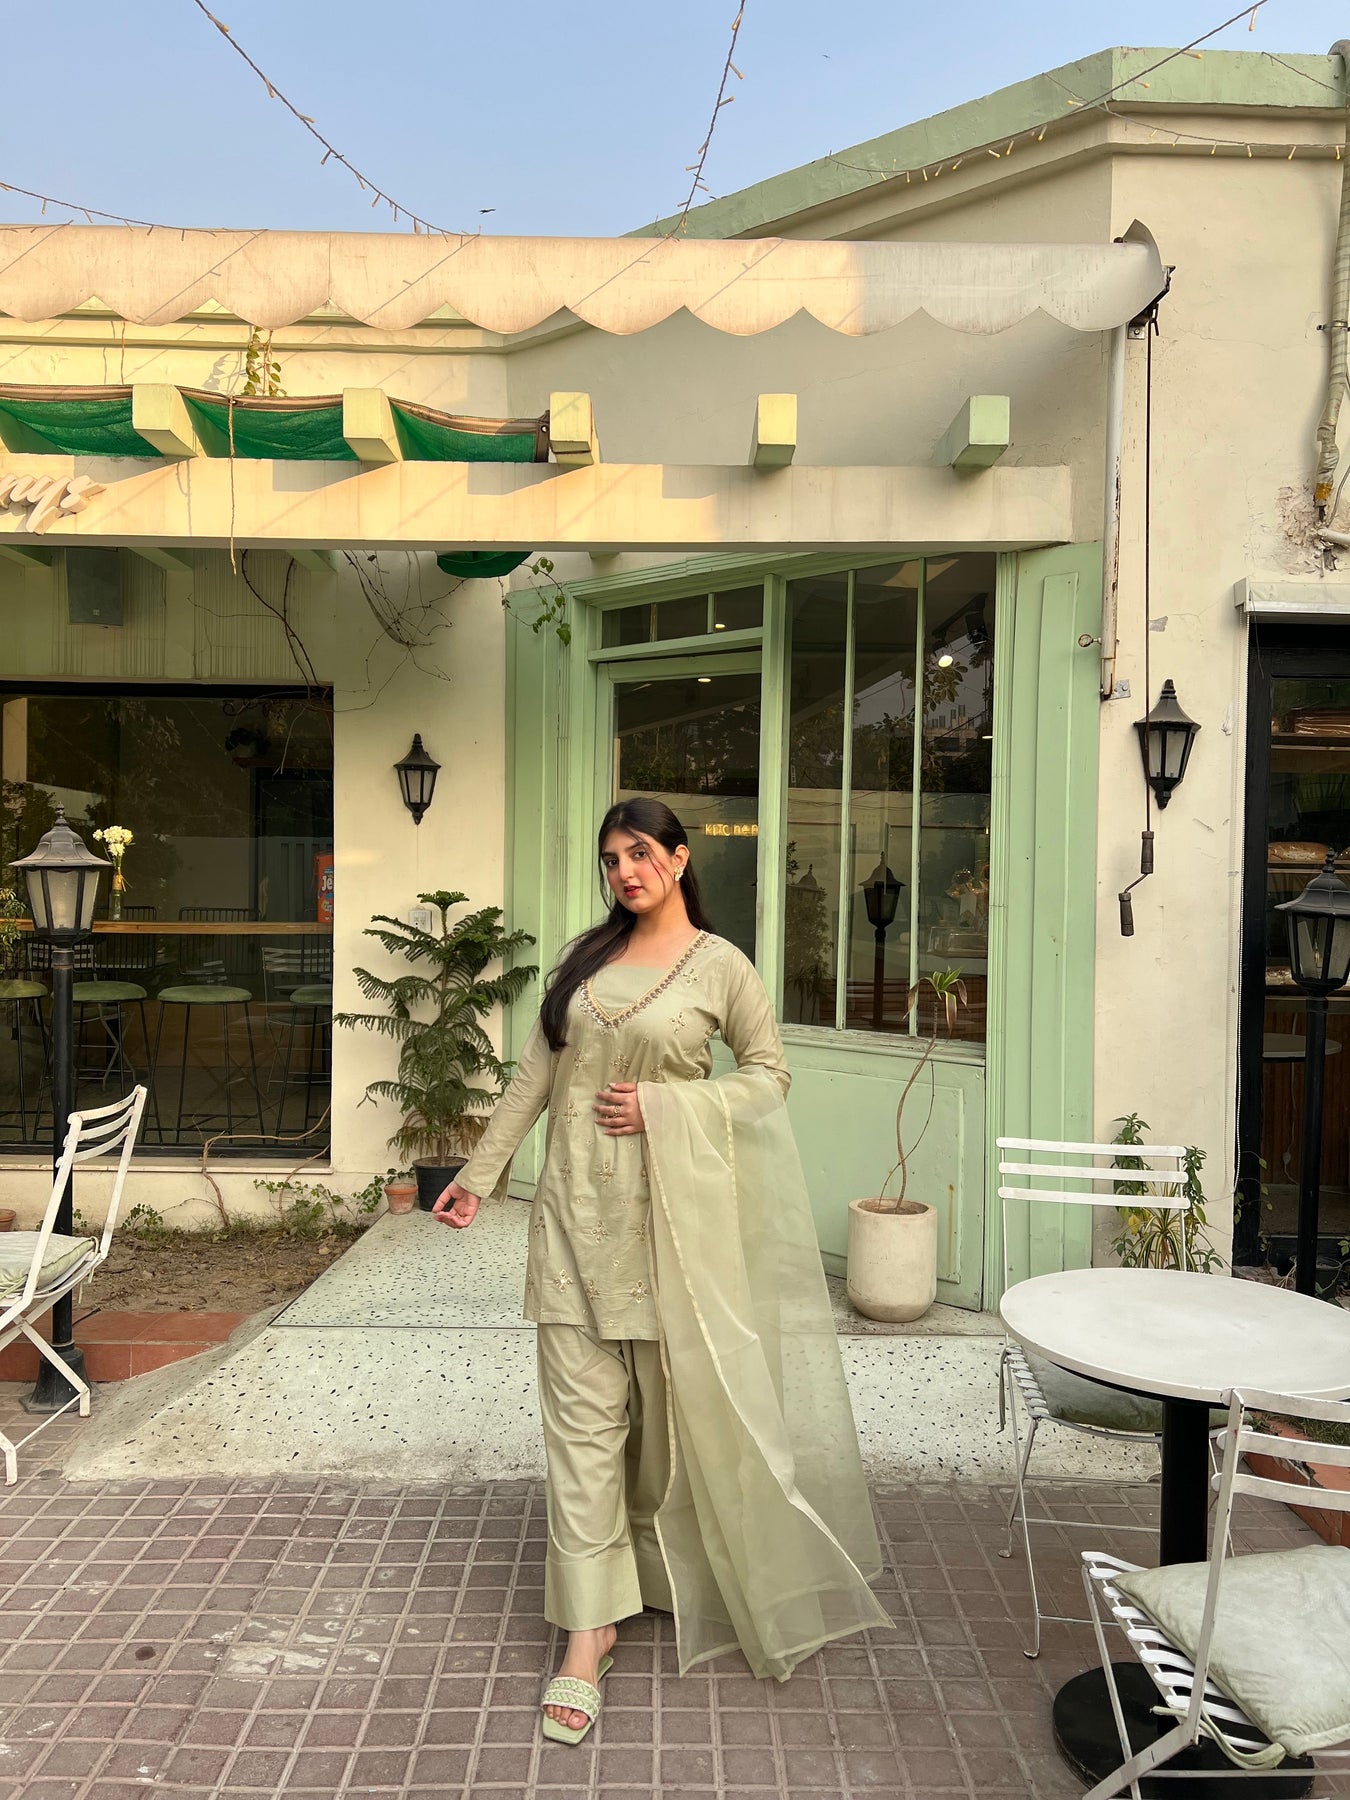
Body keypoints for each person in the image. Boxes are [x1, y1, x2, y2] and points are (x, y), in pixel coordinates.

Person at [433, 798, 888, 1744]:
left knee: (673, 1427)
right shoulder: (584, 961)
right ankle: (587, 1631)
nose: (625, 872)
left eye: (640, 853)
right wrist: (478, 1178)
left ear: (680, 859)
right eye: (611, 859)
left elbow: (769, 1075)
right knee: (581, 1433)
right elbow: (534, 1076)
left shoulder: (722, 967)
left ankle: (662, 1570)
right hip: (572, 1222)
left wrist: (671, 1107)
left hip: (675, 1231)